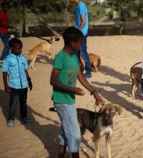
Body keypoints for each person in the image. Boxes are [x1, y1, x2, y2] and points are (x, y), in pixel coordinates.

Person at [50, 27, 104, 158]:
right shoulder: (60, 58)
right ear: (71, 43)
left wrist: (94, 92)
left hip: (70, 100)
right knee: (75, 133)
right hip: (61, 100)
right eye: (80, 42)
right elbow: (53, 81)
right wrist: (72, 89)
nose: (81, 44)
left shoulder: (74, 56)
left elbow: (80, 76)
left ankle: (60, 155)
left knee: (65, 130)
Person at [2, 38, 32, 127]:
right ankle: (11, 119)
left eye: (20, 48)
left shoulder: (23, 58)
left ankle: (24, 117)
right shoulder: (7, 59)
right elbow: (4, 73)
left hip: (24, 86)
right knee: (13, 104)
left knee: (23, 103)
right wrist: (6, 86)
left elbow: (25, 70)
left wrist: (29, 81)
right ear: (11, 48)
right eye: (17, 48)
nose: (19, 50)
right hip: (14, 86)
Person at [70, 0, 92, 78]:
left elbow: (83, 21)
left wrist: (77, 30)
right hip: (80, 31)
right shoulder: (77, 6)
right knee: (77, 51)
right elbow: (78, 20)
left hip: (82, 32)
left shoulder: (80, 5)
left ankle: (88, 71)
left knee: (82, 52)